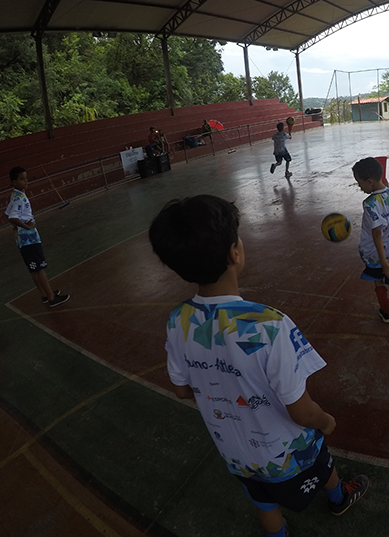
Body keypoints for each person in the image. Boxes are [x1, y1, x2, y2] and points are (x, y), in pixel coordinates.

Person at [148, 195, 369, 537]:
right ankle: (340, 498)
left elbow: (181, 389)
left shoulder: (179, 320)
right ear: (234, 253)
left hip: (235, 450)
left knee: (262, 501)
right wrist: (324, 421)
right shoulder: (268, 325)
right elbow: (299, 410)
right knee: (322, 462)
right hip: (286, 450)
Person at [352, 157, 389, 323]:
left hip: (377, 254)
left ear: (370, 181)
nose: (359, 186)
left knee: (378, 281)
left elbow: (377, 233)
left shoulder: (370, 203)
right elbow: (385, 190)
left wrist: (383, 262)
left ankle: (387, 312)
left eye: (359, 182)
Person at [5, 167, 70, 308]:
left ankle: (44, 294)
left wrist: (16, 227)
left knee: (33, 268)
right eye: (22, 179)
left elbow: (10, 215)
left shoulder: (15, 195)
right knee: (39, 268)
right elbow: (12, 216)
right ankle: (52, 298)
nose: (26, 181)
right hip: (29, 237)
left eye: (26, 178)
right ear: (14, 182)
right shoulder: (19, 197)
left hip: (23, 238)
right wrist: (27, 227)